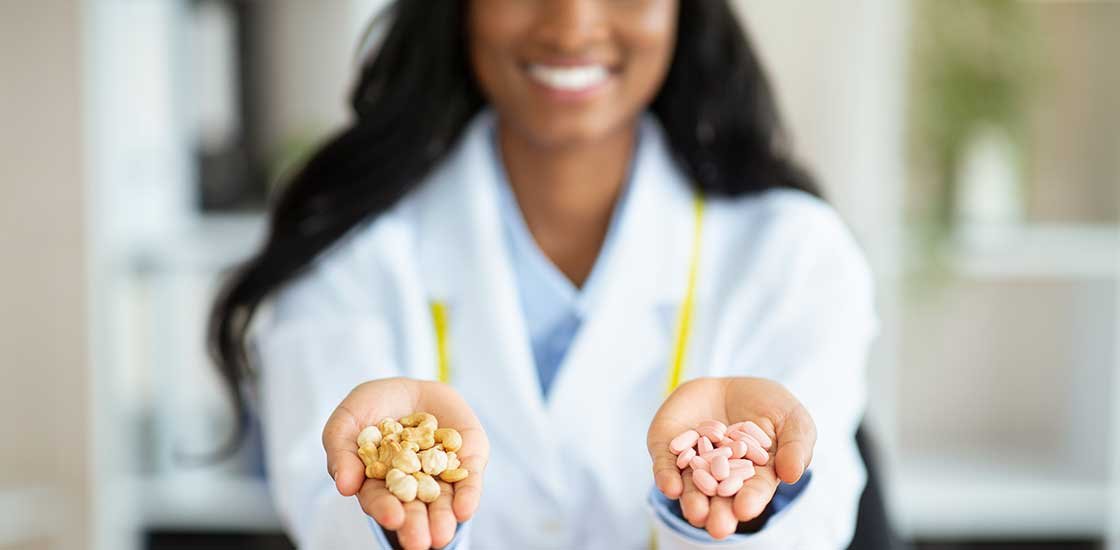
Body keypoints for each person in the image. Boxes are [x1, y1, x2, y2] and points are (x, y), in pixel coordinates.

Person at [209, 1, 877, 549]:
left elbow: (810, 529)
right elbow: (327, 519)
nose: (571, 22)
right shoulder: (347, 252)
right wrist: (400, 513)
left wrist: (735, 509)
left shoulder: (793, 253)